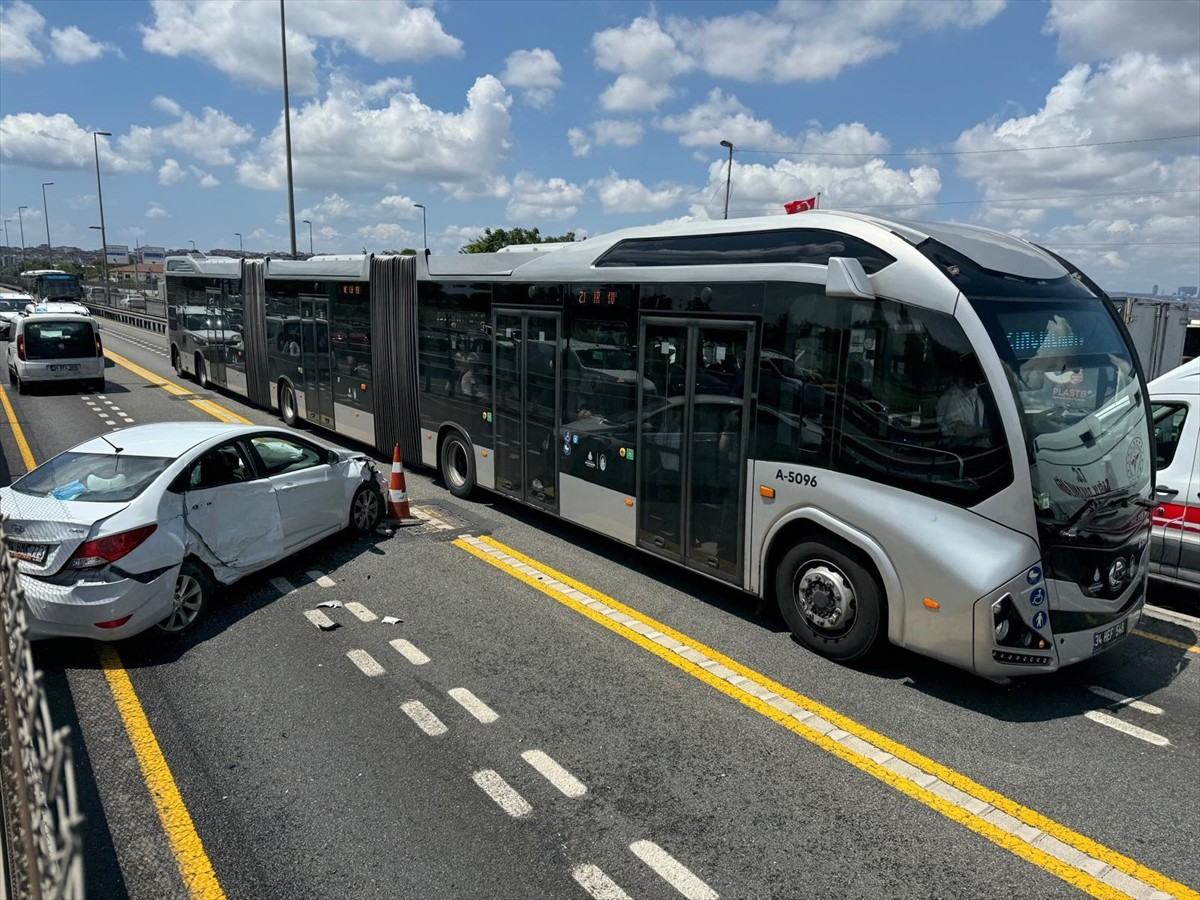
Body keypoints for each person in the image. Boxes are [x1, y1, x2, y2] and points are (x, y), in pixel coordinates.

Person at [937, 371, 989, 447]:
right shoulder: (950, 399)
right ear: (960, 379)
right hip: (958, 450)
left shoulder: (978, 397)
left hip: (981, 448)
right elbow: (959, 430)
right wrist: (986, 432)